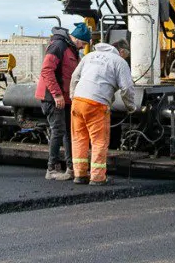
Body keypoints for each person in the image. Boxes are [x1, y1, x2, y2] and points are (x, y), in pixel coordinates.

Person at [68, 39, 137, 186]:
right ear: (122, 51)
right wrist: (131, 106)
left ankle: (80, 175)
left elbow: (74, 77)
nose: (125, 58)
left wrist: (73, 96)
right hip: (96, 104)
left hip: (78, 101)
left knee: (79, 138)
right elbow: (126, 88)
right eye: (126, 55)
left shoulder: (90, 56)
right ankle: (97, 178)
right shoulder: (119, 61)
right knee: (99, 141)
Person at [35, 22, 90, 180]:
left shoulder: (71, 49)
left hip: (65, 98)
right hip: (52, 98)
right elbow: (47, 70)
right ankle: (51, 169)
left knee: (68, 132)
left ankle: (71, 167)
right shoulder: (58, 46)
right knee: (58, 130)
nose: (83, 47)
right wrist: (57, 95)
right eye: (83, 43)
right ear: (77, 39)